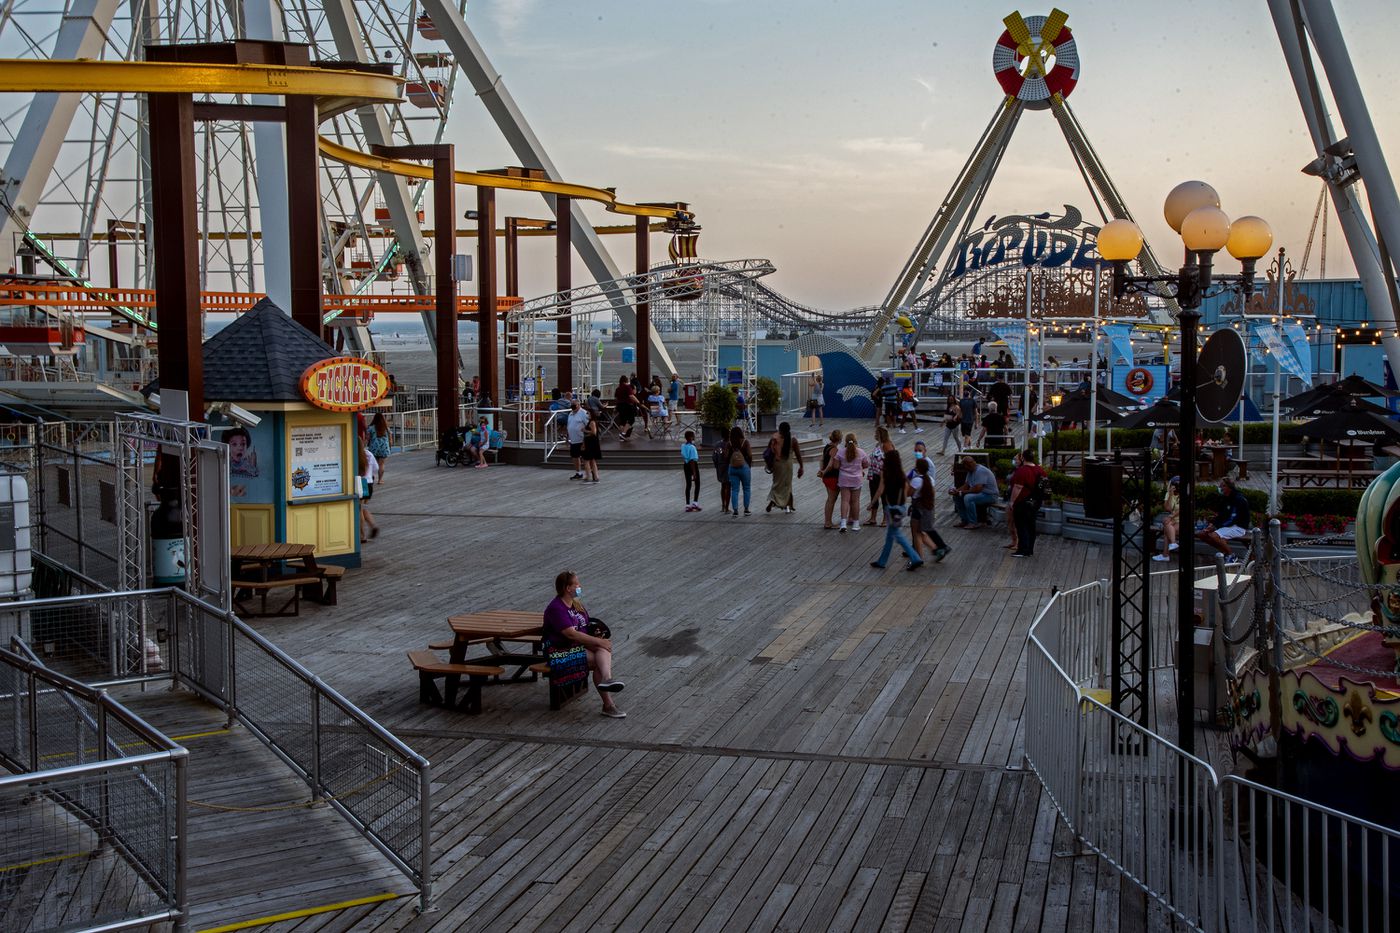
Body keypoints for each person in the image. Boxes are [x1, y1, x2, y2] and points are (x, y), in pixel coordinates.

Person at [543, 570, 625, 718]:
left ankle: (607, 680)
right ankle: (608, 703)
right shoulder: (557, 608)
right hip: (559, 649)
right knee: (599, 658)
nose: (580, 586)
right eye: (577, 584)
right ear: (568, 588)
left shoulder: (576, 604)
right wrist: (598, 641)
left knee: (602, 648)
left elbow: (584, 627)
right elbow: (570, 634)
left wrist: (598, 640)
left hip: (576, 645)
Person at [869, 448, 923, 570]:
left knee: (898, 535)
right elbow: (906, 490)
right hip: (901, 507)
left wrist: (872, 503)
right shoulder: (901, 473)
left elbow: (880, 490)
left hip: (891, 508)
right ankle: (882, 561)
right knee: (890, 536)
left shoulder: (885, 472)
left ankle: (915, 558)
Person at [908, 455, 950, 562]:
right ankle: (936, 549)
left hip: (917, 509)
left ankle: (919, 557)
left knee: (916, 533)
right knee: (923, 532)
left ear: (917, 468)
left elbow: (909, 493)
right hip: (928, 509)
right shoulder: (930, 479)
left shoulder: (916, 480)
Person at [1197, 476, 1251, 557]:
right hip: (1228, 525)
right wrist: (1212, 524)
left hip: (1238, 526)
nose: (1220, 488)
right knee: (1201, 534)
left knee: (1214, 536)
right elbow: (1222, 515)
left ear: (1229, 487)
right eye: (1220, 485)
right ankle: (1224, 552)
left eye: (1223, 486)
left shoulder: (1238, 499)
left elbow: (1232, 519)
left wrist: (1216, 526)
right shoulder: (1225, 498)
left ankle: (1231, 555)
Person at [1009, 449, 1047, 557]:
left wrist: (1012, 502)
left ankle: (1023, 550)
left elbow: (1018, 487)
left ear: (1023, 458)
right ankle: (1030, 549)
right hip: (1036, 502)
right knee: (1031, 525)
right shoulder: (1039, 470)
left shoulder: (1022, 471)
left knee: (1021, 526)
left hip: (1023, 502)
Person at [765, 421, 804, 513]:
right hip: (788, 465)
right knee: (787, 485)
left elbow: (769, 452)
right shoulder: (793, 440)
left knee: (777, 484)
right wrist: (801, 466)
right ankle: (788, 506)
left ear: (780, 430)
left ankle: (773, 502)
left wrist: (769, 464)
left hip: (777, 464)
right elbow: (798, 455)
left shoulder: (774, 439)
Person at [834, 432, 869, 533]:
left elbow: (836, 466)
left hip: (844, 479)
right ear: (855, 441)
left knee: (844, 501)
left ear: (845, 441)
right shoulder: (861, 452)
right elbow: (866, 465)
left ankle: (843, 523)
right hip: (857, 479)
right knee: (855, 501)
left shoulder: (840, 452)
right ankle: (856, 524)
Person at [952, 456, 999, 528]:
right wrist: (956, 491)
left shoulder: (980, 471)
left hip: (990, 495)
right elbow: (966, 485)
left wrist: (963, 492)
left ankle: (972, 522)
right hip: (981, 494)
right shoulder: (970, 471)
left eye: (971, 463)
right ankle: (965, 520)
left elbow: (977, 489)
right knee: (957, 496)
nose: (970, 466)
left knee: (968, 498)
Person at [865, 426, 891, 528]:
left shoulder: (887, 445)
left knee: (884, 497)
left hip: (883, 475)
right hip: (874, 474)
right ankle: (873, 518)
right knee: (873, 494)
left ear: (881, 434)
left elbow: (891, 460)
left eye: (876, 433)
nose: (875, 434)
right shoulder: (877, 444)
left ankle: (885, 519)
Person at [726, 425, 754, 516]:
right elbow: (750, 455)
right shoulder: (745, 442)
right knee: (746, 488)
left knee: (734, 490)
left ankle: (735, 511)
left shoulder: (729, 443)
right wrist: (748, 465)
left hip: (732, 468)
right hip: (744, 467)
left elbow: (726, 456)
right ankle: (746, 509)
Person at [819, 428, 843, 529]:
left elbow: (822, 459)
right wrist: (824, 471)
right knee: (831, 499)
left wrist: (821, 470)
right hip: (832, 476)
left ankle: (827, 521)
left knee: (829, 499)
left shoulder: (827, 447)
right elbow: (830, 465)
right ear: (840, 439)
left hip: (826, 477)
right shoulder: (834, 449)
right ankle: (828, 523)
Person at [1154, 476, 1181, 562]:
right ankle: (1172, 544)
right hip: (1174, 521)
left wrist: (1171, 517)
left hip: (1183, 520)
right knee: (1167, 525)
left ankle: (1165, 554)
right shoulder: (1169, 493)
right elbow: (1167, 508)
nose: (1176, 486)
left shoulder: (1184, 493)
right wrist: (1170, 495)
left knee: (1167, 530)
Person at [358, 447, 379, 542]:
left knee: (359, 509)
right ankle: (373, 525)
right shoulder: (368, 453)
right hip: (369, 483)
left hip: (360, 483)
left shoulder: (354, 454)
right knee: (364, 507)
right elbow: (376, 468)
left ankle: (362, 536)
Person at [566, 398, 590, 479]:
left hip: (581, 439)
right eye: (571, 405)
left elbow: (588, 425)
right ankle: (578, 473)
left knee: (585, 458)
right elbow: (569, 425)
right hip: (573, 440)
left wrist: (585, 439)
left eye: (574, 405)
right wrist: (567, 437)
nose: (573, 407)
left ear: (579, 405)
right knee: (575, 456)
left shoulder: (583, 413)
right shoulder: (570, 414)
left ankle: (589, 474)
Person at [366, 412, 392, 484]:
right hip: (384, 447)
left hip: (374, 447)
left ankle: (371, 478)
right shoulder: (386, 428)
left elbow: (367, 438)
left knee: (372, 463)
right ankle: (380, 480)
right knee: (381, 464)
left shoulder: (371, 428)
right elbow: (390, 439)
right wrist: (390, 446)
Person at [681, 430, 702, 511]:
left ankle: (687, 504)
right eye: (693, 436)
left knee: (688, 484)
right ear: (690, 437)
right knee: (697, 484)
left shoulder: (683, 446)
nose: (694, 437)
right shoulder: (692, 447)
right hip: (693, 465)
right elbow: (692, 461)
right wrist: (694, 473)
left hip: (685, 465)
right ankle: (695, 503)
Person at [712, 431, 732, 513]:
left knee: (723, 486)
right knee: (729, 487)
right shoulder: (731, 444)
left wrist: (716, 465)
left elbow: (714, 456)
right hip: (729, 466)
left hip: (720, 466)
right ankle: (727, 507)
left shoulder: (717, 444)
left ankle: (723, 506)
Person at [614, 375, 638, 440]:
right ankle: (623, 433)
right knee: (631, 419)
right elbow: (631, 396)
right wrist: (638, 402)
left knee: (622, 421)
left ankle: (621, 437)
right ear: (626, 380)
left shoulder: (618, 388)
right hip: (627, 405)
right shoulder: (627, 387)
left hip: (619, 405)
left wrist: (616, 406)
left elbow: (616, 398)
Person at [581, 414, 602, 483]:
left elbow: (594, 432)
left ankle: (588, 476)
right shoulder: (590, 422)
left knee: (586, 460)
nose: (587, 414)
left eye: (588, 413)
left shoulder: (592, 422)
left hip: (591, 442)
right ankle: (595, 477)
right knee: (592, 460)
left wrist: (584, 430)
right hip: (590, 442)